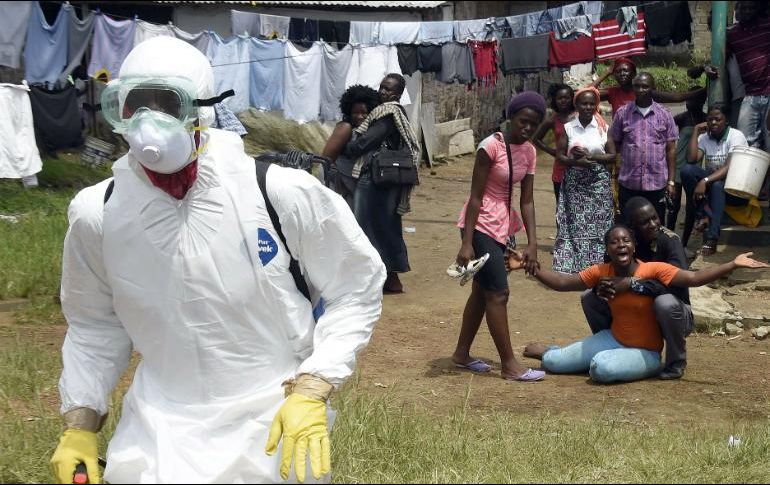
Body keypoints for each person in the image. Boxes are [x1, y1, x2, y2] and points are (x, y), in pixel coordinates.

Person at [50, 37, 386, 484]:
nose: (150, 121)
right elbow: (94, 325)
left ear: (202, 110)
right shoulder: (100, 213)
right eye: (136, 105)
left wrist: (312, 387)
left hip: (269, 423)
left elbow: (355, 288)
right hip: (156, 430)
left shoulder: (278, 193)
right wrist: (81, 423)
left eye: (166, 103)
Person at [519, 225, 767, 384]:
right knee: (553, 363)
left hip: (645, 352)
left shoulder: (653, 269)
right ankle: (553, 351)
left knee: (600, 370)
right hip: (612, 339)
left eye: (626, 240)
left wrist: (732, 264)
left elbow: (693, 278)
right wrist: (531, 267)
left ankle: (638, 363)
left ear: (634, 246)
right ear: (608, 249)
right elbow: (563, 282)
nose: (621, 245)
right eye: (614, 242)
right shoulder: (602, 271)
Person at [451, 91, 546, 382]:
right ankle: (509, 365)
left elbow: (527, 201)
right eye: (522, 121)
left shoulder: (529, 151)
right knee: (498, 293)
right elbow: (475, 197)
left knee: (482, 291)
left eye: (533, 123)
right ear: (511, 117)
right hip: (479, 225)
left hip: (503, 227)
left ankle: (461, 354)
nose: (527, 128)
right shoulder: (490, 146)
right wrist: (467, 242)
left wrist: (532, 243)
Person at [581, 197, 693, 380]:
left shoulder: (669, 241)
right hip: (633, 312)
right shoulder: (620, 242)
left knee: (665, 303)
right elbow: (608, 276)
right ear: (631, 228)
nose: (653, 225)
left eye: (655, 218)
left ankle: (675, 363)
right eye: (645, 222)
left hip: (673, 312)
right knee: (589, 297)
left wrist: (633, 284)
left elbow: (677, 287)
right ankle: (613, 344)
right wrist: (600, 287)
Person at [343, 73, 420, 294]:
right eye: (382, 88)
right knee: (385, 226)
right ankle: (388, 277)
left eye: (388, 90)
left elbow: (368, 141)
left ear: (397, 94)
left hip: (376, 179)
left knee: (366, 226)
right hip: (388, 179)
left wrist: (348, 148)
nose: (383, 92)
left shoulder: (388, 113)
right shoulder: (394, 113)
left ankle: (385, 277)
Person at [552, 86, 617, 274]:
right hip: (575, 183)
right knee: (575, 223)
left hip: (598, 181)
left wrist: (591, 157)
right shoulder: (568, 128)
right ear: (577, 105)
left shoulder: (604, 128)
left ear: (596, 106)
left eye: (591, 104)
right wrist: (574, 160)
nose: (588, 107)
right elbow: (560, 156)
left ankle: (599, 266)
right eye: (584, 103)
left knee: (601, 223)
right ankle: (575, 267)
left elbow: (612, 155)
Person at [611, 72, 679, 223]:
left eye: (645, 86)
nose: (641, 90)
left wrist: (671, 182)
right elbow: (614, 143)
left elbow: (671, 150)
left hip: (657, 184)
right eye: (637, 86)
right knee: (628, 224)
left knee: (655, 226)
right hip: (629, 183)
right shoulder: (623, 113)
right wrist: (615, 174)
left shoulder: (665, 114)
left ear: (653, 88)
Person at [683, 103, 749, 256]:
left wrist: (704, 181)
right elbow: (692, 159)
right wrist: (695, 131)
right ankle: (703, 214)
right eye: (710, 119)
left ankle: (712, 237)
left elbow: (729, 168)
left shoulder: (736, 136)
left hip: (735, 189)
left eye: (718, 119)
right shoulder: (705, 137)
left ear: (726, 121)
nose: (713, 123)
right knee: (687, 170)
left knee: (718, 185)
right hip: (712, 186)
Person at [321, 84, 380, 208]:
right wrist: (338, 184)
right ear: (348, 111)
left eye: (364, 112)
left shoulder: (371, 131)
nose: (360, 116)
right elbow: (326, 160)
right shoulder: (345, 128)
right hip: (340, 186)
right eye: (355, 112)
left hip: (357, 186)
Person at [591, 57, 713, 116]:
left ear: (634, 73)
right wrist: (606, 72)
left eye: (625, 71)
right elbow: (585, 93)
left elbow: (677, 97)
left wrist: (706, 90)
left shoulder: (643, 90)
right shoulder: (612, 92)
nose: (622, 74)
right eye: (618, 71)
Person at [670, 86, 707, 240]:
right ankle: (669, 240)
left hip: (695, 168)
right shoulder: (680, 118)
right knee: (674, 207)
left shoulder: (706, 119)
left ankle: (684, 244)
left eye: (693, 99)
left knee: (691, 207)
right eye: (687, 98)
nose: (688, 102)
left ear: (702, 101)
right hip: (678, 166)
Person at [532, 83, 575, 203]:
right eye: (559, 98)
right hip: (560, 169)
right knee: (561, 206)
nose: (563, 101)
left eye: (566, 98)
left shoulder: (579, 116)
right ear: (555, 101)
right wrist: (554, 152)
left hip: (579, 167)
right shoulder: (552, 120)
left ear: (572, 98)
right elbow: (536, 139)